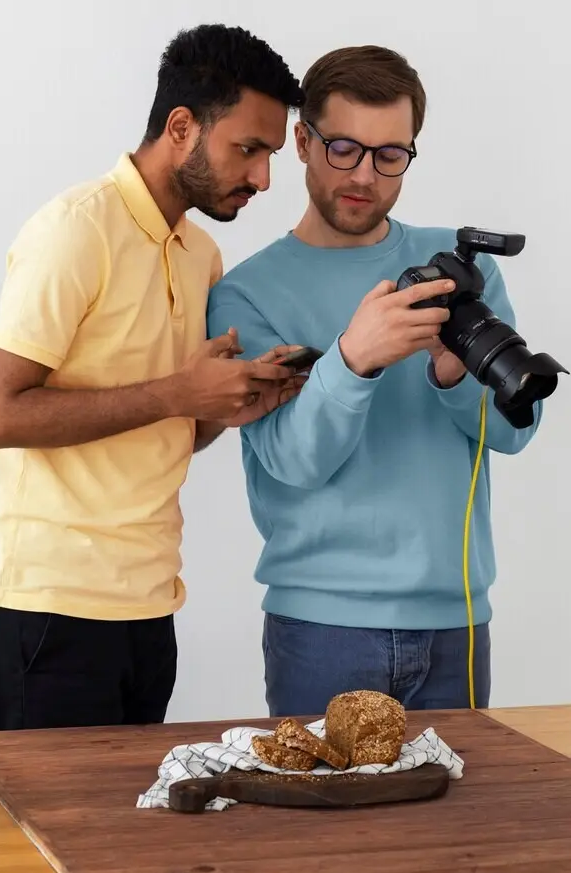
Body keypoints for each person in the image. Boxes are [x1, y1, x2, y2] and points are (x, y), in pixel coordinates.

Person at [0, 24, 309, 731]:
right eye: (249, 149)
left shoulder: (200, 253)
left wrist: (224, 406)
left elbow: (167, 427)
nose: (264, 178)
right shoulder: (75, 230)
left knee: (126, 840)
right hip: (46, 607)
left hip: (148, 606)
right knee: (53, 838)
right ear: (182, 127)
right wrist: (177, 393)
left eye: (270, 155)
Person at [205, 45, 549, 718]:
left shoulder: (454, 263)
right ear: (302, 142)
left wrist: (453, 374)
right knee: (328, 827)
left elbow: (514, 433)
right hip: (322, 632)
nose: (366, 175)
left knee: (457, 827)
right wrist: (353, 358)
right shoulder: (245, 297)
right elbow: (295, 461)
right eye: (343, 149)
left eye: (390, 155)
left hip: (458, 626)